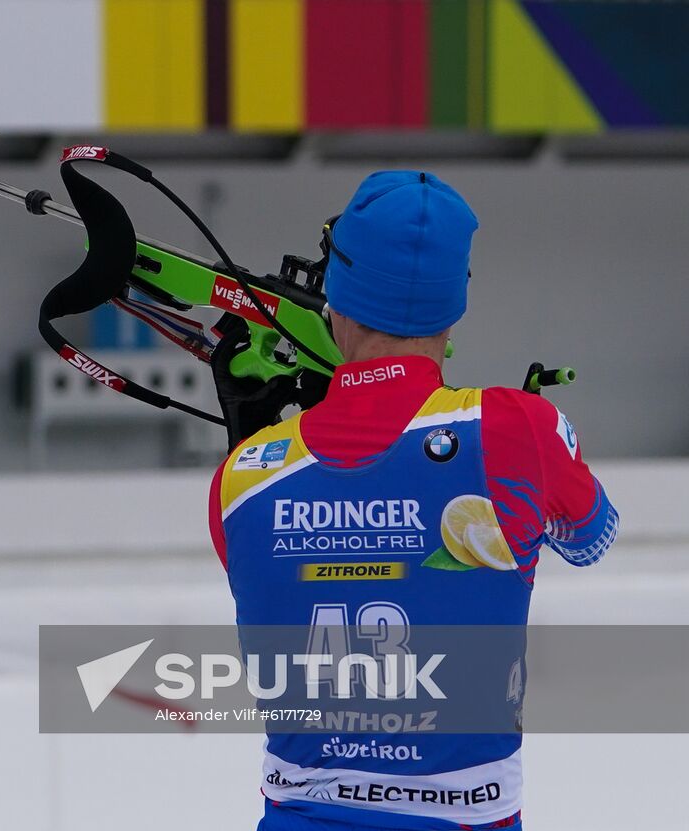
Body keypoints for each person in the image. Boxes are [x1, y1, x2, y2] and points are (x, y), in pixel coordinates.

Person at [207, 171, 618, 831]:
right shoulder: (516, 428)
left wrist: (259, 435)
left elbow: (271, 578)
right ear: (453, 305)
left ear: (335, 296)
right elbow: (593, 537)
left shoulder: (243, 474)